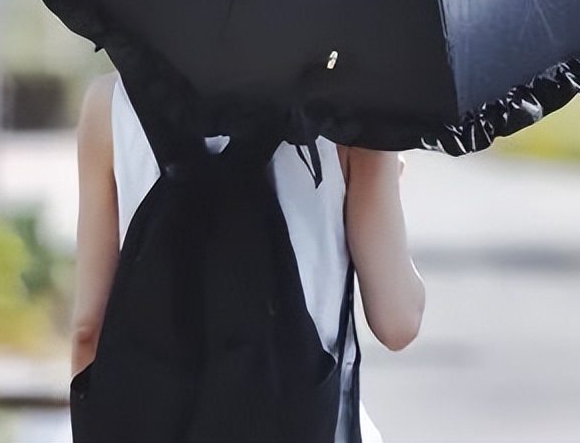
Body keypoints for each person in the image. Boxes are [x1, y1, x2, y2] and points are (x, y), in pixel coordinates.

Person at [70, 71, 424, 441]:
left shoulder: (110, 101)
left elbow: (88, 332)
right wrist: (388, 183)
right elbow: (397, 322)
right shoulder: (358, 111)